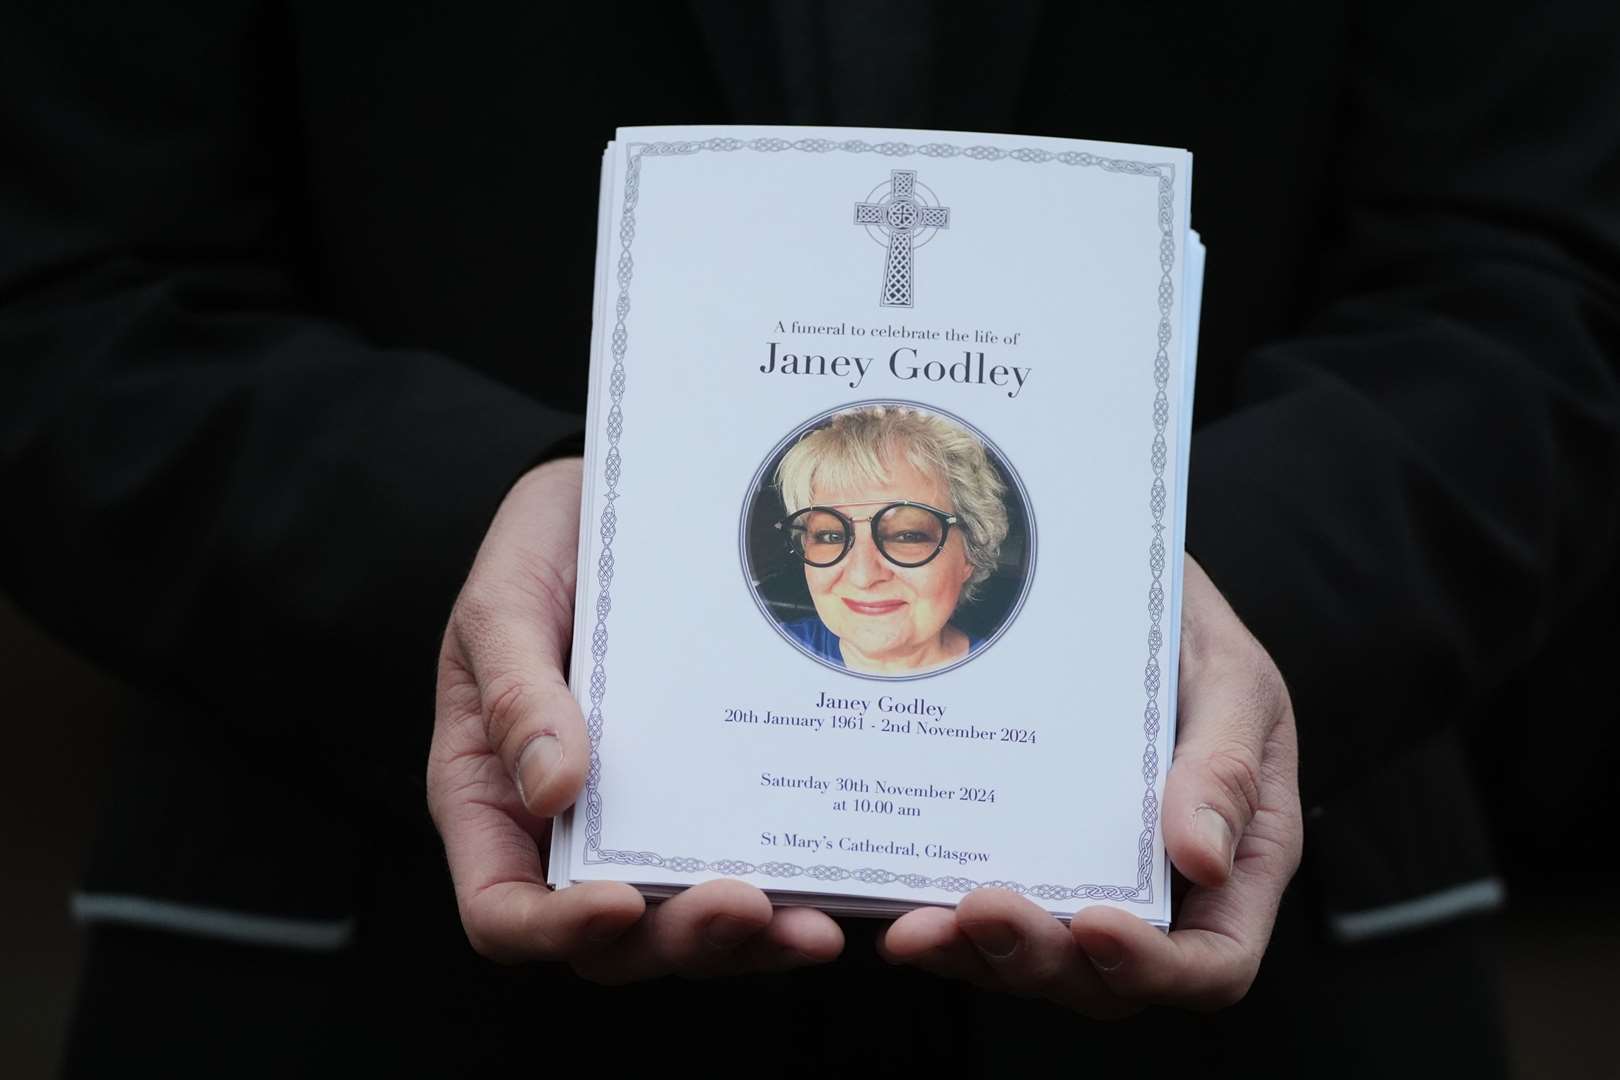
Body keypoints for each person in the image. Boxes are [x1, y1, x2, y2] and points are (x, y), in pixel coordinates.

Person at [2, 2, 1615, 1074]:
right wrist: (481, 547)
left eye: (906, 532)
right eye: (824, 535)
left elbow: (1539, 285)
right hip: (366, 977)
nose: (859, 566)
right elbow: (65, 288)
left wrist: (1175, 607)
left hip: (1253, 988)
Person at [771, 405, 1009, 674]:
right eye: (831, 535)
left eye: (907, 535)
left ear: (970, 553)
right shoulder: (758, 659)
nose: (863, 575)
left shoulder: (1012, 686)